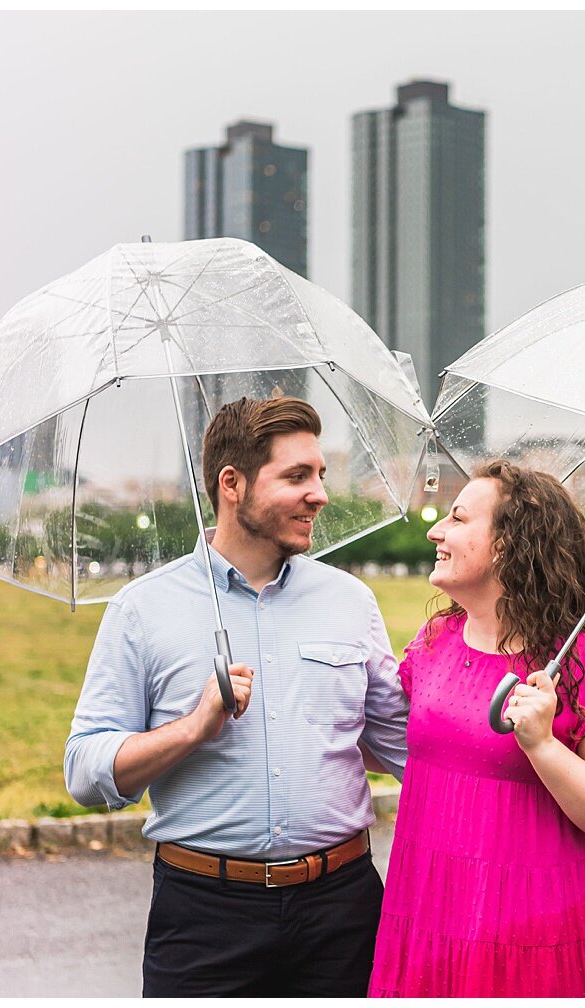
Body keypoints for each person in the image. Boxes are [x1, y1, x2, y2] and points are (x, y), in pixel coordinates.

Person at [64, 396, 408, 997]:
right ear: (232, 484)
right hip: (204, 918)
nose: (320, 493)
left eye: (320, 475)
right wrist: (193, 727)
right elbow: (85, 772)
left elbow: (410, 747)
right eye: (297, 476)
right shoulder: (143, 609)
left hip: (342, 911)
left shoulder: (350, 602)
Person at [368, 460, 585, 997]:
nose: (436, 530)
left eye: (457, 519)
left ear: (507, 544)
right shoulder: (434, 642)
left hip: (535, 936)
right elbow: (391, 745)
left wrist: (544, 746)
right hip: (431, 916)